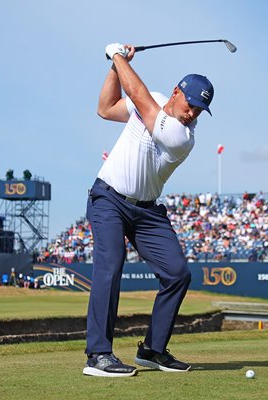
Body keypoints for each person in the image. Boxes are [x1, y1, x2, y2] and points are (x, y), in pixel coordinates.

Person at [82, 43, 214, 378]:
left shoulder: (182, 137)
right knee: (110, 266)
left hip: (148, 214)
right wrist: (115, 68)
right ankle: (98, 354)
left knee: (177, 274)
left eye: (200, 110)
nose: (192, 114)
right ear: (176, 92)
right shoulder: (152, 98)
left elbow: (140, 96)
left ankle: (153, 350)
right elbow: (106, 108)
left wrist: (116, 55)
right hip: (109, 199)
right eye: (191, 104)